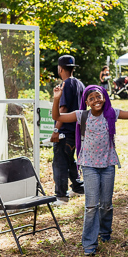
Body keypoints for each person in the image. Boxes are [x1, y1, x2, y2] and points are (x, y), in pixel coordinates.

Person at [52, 84, 128, 256]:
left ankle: (105, 233)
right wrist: (57, 98)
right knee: (91, 206)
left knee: (106, 204)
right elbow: (57, 116)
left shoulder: (111, 114)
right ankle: (89, 244)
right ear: (86, 101)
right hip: (89, 165)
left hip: (108, 164)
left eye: (98, 96)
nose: (96, 100)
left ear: (104, 98)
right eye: (91, 98)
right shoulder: (82, 115)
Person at [50, 55, 85, 205]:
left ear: (60, 69)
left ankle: (61, 196)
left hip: (64, 131)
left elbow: (62, 109)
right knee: (70, 160)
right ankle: (78, 187)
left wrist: (56, 131)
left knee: (59, 163)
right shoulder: (80, 84)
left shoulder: (65, 85)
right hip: (76, 130)